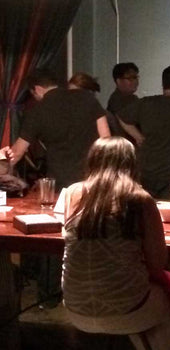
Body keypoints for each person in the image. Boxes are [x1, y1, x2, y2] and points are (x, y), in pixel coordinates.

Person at [62, 137, 170, 350]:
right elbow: (158, 262)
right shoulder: (139, 199)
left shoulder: (73, 193)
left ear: (92, 162)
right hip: (129, 310)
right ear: (131, 164)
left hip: (75, 308)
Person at [2, 68, 111, 309]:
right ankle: (92, 293)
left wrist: (3, 159)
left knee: (54, 239)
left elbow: (17, 153)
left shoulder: (39, 110)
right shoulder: (87, 98)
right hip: (92, 181)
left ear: (37, 90)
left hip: (59, 185)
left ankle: (49, 296)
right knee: (93, 235)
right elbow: (106, 139)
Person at [117, 65, 170, 200]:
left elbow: (122, 117)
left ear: (163, 83)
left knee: (146, 210)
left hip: (148, 168)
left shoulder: (146, 103)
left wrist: (138, 137)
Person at [106, 62, 140, 139]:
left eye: (136, 77)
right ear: (118, 81)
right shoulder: (117, 100)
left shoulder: (132, 98)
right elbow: (125, 122)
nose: (135, 81)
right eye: (130, 78)